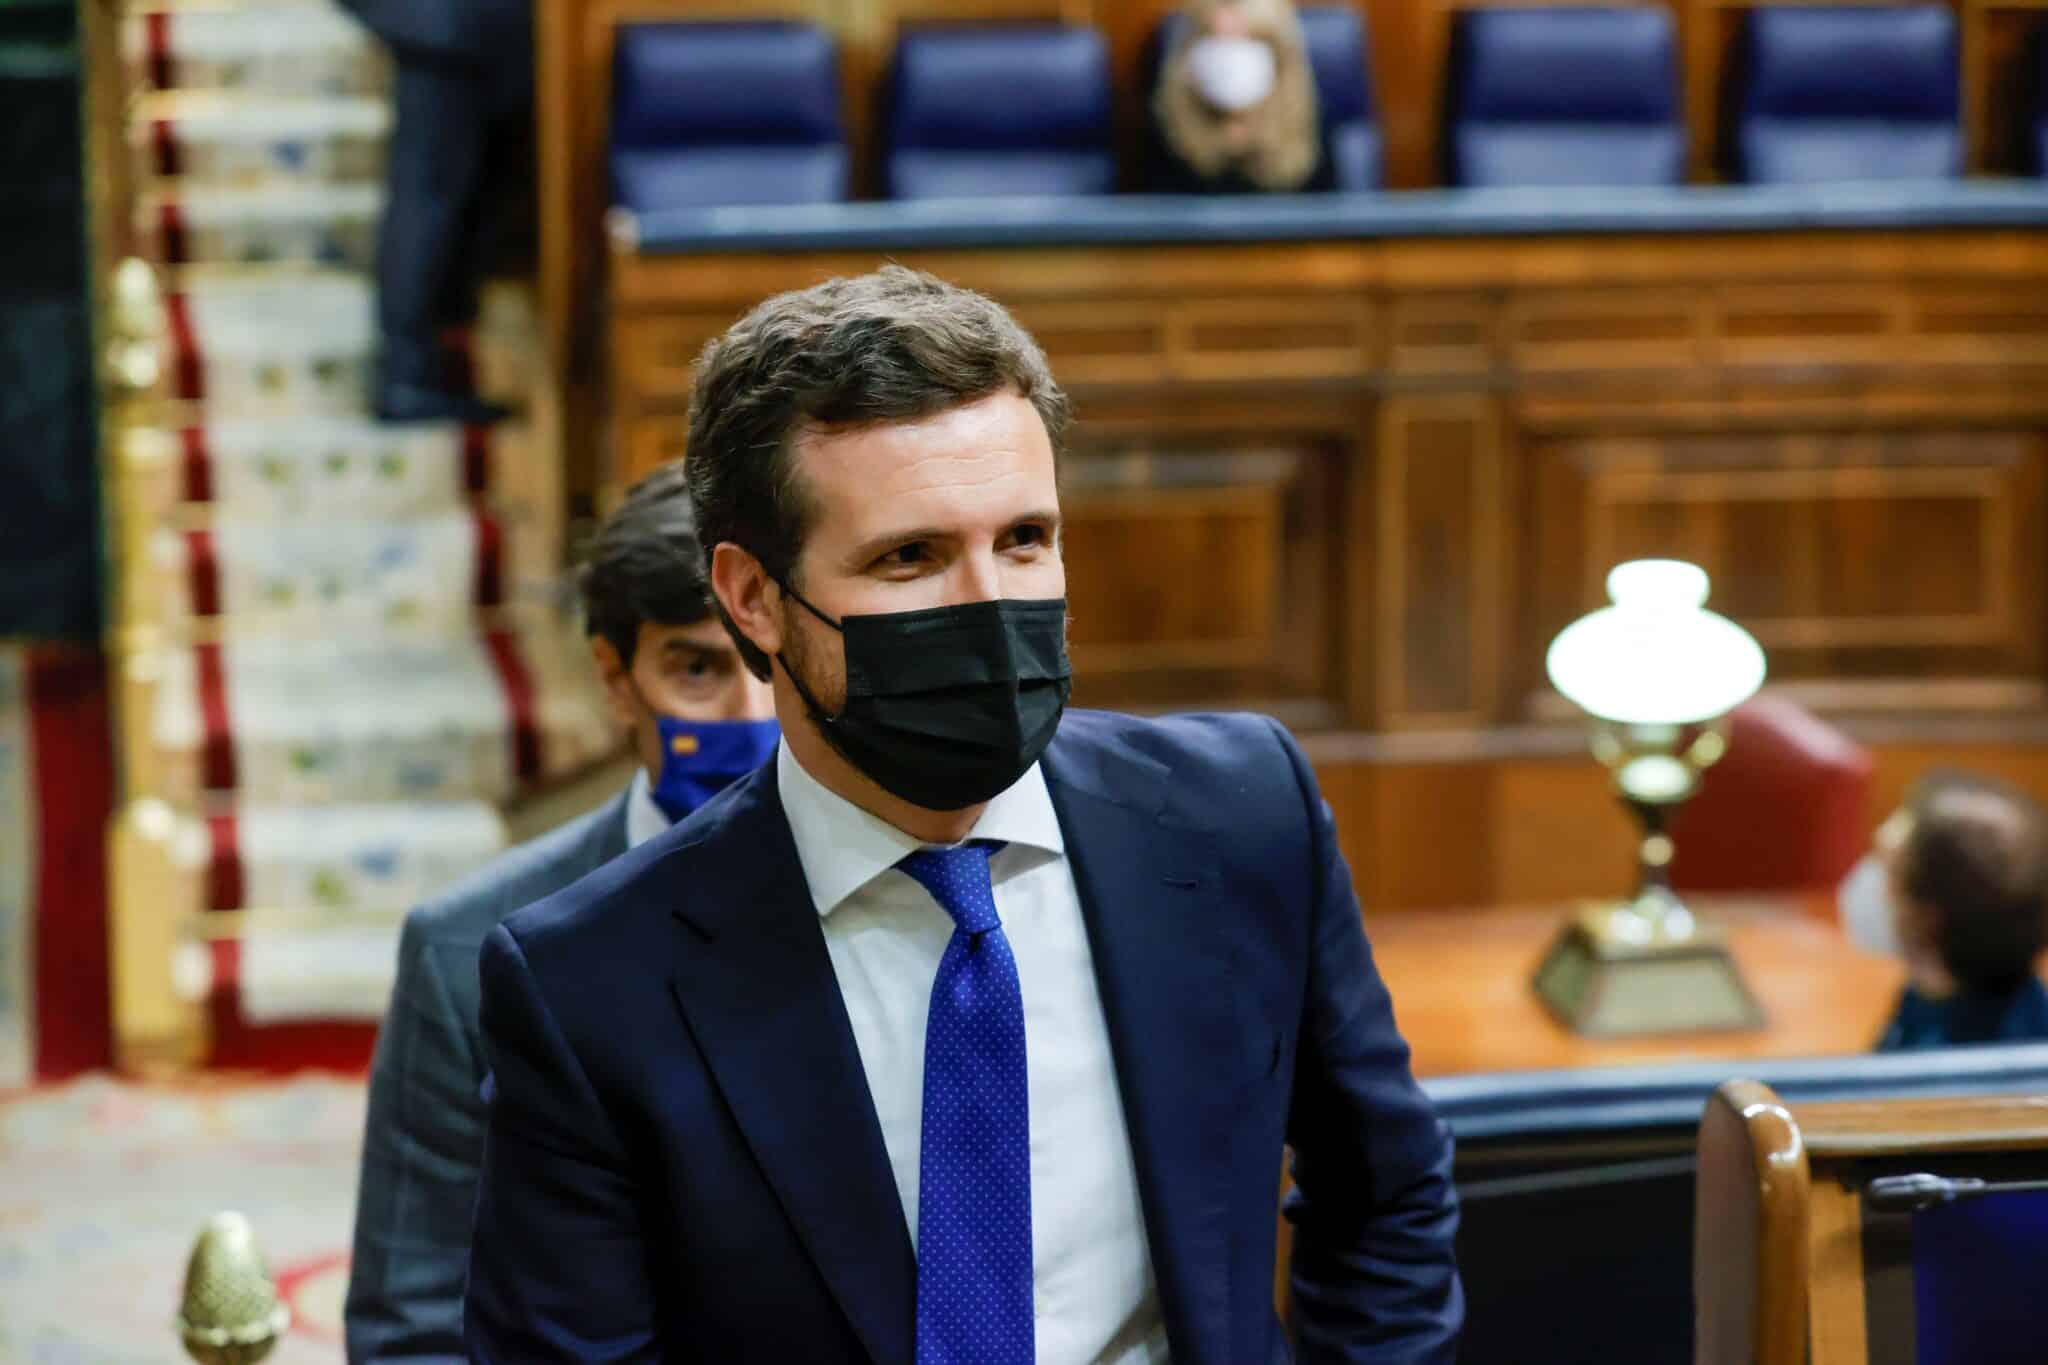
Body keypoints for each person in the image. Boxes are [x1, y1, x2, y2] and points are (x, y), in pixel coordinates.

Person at [463, 266, 1461, 1362]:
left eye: (1024, 539)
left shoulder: (1237, 814)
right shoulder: (588, 983)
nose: (990, 607)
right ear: (752, 598)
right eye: (910, 558)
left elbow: (1383, 1198)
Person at [344, 463, 776, 1363]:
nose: (754, 717)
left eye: (774, 666)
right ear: (616, 681)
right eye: (698, 669)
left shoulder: (923, 889)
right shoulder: (462, 950)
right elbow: (411, 1328)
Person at [338, 0, 531, 423]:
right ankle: (407, 374)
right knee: (428, 196)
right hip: (445, 19)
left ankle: (427, 366)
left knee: (441, 194)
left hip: (460, 25)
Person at [1839, 771, 2048, 1051]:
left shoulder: (1935, 1069)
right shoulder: (1931, 994)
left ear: (1926, 921)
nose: (1865, 882)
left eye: (1884, 869)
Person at [1149, 0, 1327, 194]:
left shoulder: (1312, 132)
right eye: (1216, 41)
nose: (1232, 61)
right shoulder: (1167, 133)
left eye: (1246, 42)